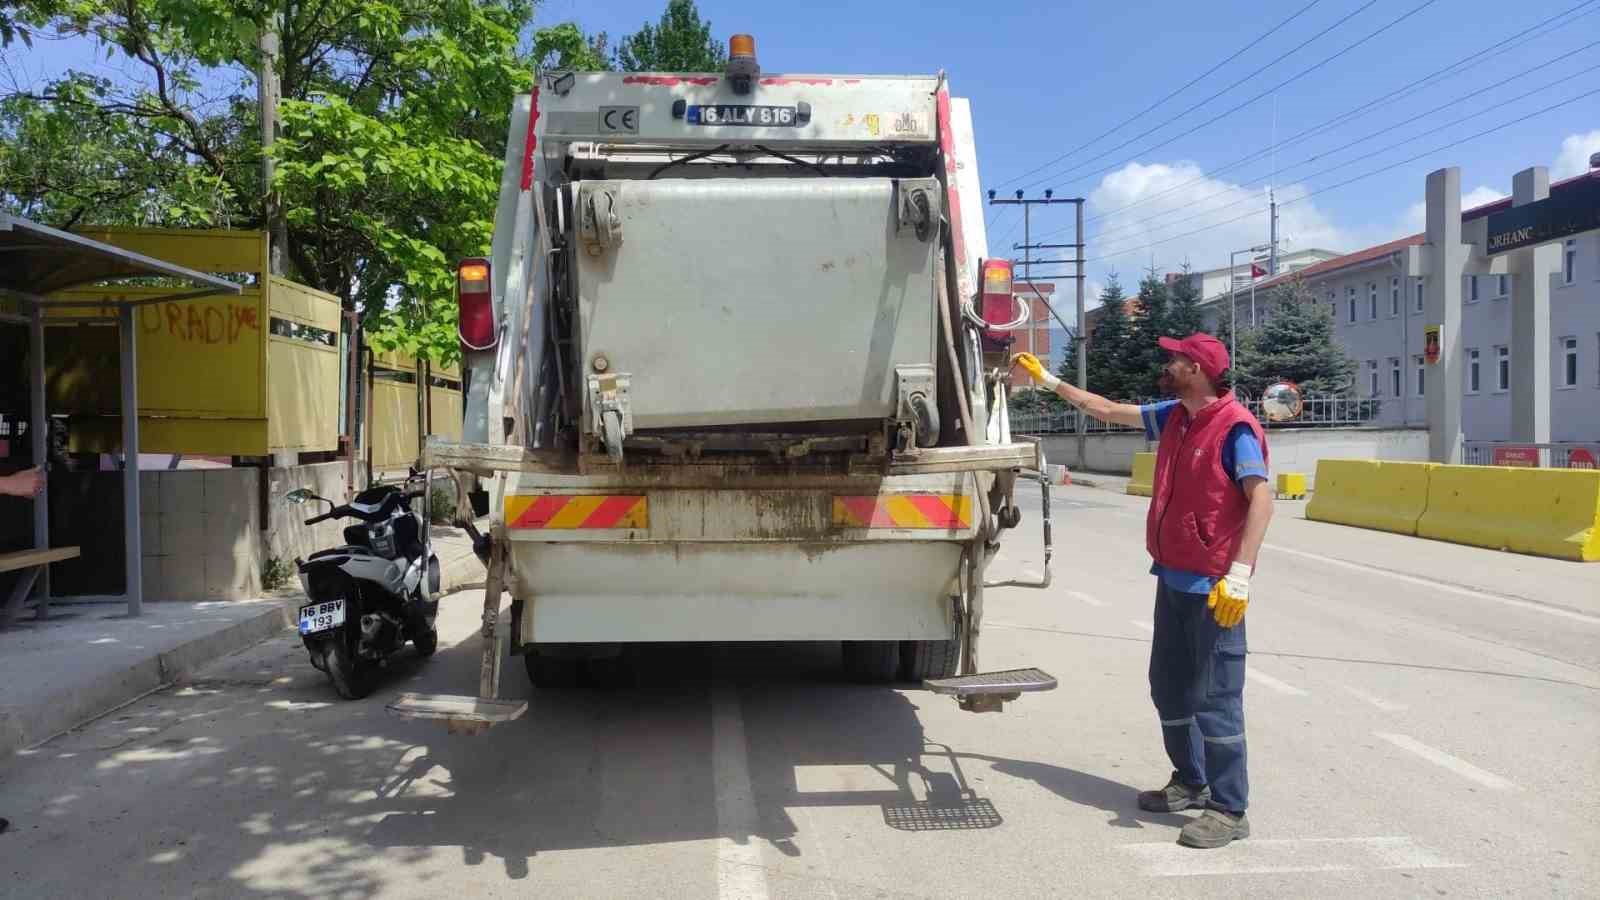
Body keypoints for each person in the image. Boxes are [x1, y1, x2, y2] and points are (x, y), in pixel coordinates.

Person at [1013, 333, 1273, 850]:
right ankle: (1191, 781)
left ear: (1197, 369)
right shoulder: (1175, 414)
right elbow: (1106, 409)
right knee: (1169, 686)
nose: (1167, 364)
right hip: (1173, 576)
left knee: (1216, 697)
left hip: (1215, 588)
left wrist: (1240, 574)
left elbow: (1261, 500)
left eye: (1176, 359)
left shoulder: (1236, 427)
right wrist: (1049, 380)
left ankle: (1229, 807)